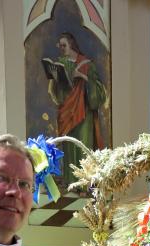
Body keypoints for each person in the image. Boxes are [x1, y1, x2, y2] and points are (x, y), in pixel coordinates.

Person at [43, 32, 108, 179]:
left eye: (64, 45)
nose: (61, 48)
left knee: (83, 146)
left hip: (83, 113)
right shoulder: (61, 64)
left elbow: (99, 93)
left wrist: (83, 77)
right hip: (67, 111)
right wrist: (55, 80)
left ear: (71, 44)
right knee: (68, 146)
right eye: (60, 46)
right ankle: (70, 182)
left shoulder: (87, 64)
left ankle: (85, 181)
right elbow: (57, 94)